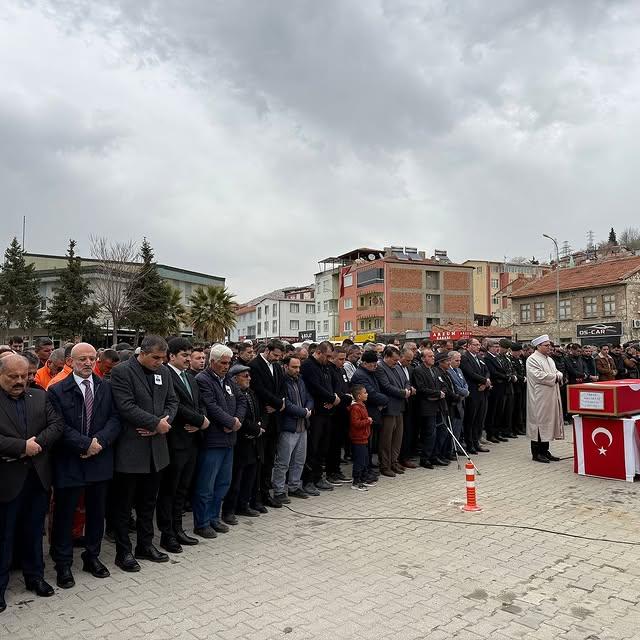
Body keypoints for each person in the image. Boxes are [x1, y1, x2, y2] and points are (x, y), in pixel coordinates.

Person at [48, 343, 121, 588]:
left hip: (99, 460)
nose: (88, 362)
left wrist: (98, 443)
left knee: (96, 513)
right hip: (70, 462)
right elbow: (58, 425)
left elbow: (115, 419)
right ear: (71, 361)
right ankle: (63, 564)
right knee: (64, 516)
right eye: (82, 359)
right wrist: (84, 444)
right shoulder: (57, 390)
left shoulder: (106, 387)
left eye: (92, 358)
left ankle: (92, 556)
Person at [0, 354, 64, 611]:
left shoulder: (39, 396)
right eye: (12, 377)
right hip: (6, 480)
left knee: (33, 531)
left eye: (24, 376)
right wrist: (20, 447)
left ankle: (34, 577)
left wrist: (36, 445)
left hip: (37, 478)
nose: (19, 381)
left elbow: (57, 424)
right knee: (4, 536)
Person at [110, 335, 178, 572]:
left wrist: (164, 422)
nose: (159, 362)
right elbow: (125, 406)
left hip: (156, 450)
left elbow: (172, 401)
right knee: (124, 504)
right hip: (131, 450)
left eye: (162, 358)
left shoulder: (165, 373)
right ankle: (124, 551)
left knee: (148, 502)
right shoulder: (122, 372)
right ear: (143, 353)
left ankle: (145, 545)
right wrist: (154, 424)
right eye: (155, 358)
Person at [156, 338, 209, 553]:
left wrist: (201, 420)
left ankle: (178, 529)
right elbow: (175, 406)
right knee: (169, 490)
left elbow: (199, 403)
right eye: (184, 355)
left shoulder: (190, 377)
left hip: (192, 441)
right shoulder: (165, 375)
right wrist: (199, 420)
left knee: (182, 489)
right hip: (175, 441)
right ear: (171, 356)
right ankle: (166, 534)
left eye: (190, 355)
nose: (188, 359)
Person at [194, 344, 247, 538]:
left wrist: (236, 421)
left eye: (229, 362)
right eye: (223, 363)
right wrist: (228, 421)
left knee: (223, 483)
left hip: (229, 439)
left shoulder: (228, 380)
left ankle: (214, 518)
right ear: (213, 361)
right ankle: (202, 522)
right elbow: (210, 405)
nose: (227, 366)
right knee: (206, 485)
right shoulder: (203, 380)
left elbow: (241, 400)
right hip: (213, 440)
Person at [222, 364, 263, 522]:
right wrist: (254, 429)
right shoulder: (233, 395)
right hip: (240, 441)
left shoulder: (251, 393)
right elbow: (239, 418)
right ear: (234, 378)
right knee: (235, 479)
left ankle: (244, 504)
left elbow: (259, 413)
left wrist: (260, 426)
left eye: (249, 375)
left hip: (253, 442)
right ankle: (229, 510)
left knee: (250, 476)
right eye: (245, 376)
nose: (249, 379)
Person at [248, 339, 285, 509]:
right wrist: (276, 403)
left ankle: (265, 493)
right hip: (263, 416)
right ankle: (255, 497)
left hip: (275, 418)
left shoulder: (277, 366)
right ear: (268, 351)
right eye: (275, 355)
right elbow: (258, 389)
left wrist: (279, 403)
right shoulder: (254, 365)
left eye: (280, 356)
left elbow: (281, 387)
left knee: (270, 458)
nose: (277, 358)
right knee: (260, 460)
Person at [301, 341, 340, 493]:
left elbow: (334, 383)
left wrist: (334, 398)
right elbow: (314, 387)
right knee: (313, 448)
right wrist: (331, 398)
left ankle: (318, 477)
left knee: (323, 448)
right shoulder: (308, 366)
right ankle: (308, 480)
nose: (329, 359)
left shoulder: (326, 366)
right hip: (316, 413)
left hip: (328, 412)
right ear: (319, 352)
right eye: (327, 356)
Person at [272, 356, 313, 500]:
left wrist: (308, 409)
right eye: (294, 367)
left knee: (299, 459)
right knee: (283, 461)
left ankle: (294, 486)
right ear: (285, 367)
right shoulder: (282, 382)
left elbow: (309, 397)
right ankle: (279, 490)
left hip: (303, 426)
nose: (297, 370)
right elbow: (286, 404)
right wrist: (303, 412)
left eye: (298, 367)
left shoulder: (300, 380)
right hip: (288, 427)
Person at [526, 335, 563, 463]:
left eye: (549, 345)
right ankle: (536, 453)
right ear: (538, 346)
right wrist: (556, 377)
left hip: (550, 396)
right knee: (539, 423)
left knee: (548, 423)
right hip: (539, 397)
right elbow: (538, 376)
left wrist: (558, 374)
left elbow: (557, 371)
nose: (549, 348)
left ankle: (545, 451)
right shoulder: (532, 359)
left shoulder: (549, 359)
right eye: (546, 345)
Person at [375, 346, 411, 477]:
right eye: (394, 360)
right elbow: (386, 386)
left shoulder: (397, 367)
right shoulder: (380, 368)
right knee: (386, 439)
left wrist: (407, 389)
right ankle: (385, 465)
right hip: (388, 408)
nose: (396, 362)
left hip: (400, 406)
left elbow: (406, 381)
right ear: (387, 357)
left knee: (397, 438)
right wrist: (403, 393)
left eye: (397, 360)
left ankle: (394, 461)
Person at [411, 348, 446, 469]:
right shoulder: (418, 370)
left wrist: (441, 392)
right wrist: (437, 394)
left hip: (437, 405)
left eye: (433, 356)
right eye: (430, 356)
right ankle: (425, 458)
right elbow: (421, 388)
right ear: (423, 358)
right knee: (429, 433)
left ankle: (434, 456)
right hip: (427, 406)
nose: (433, 358)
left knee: (439, 432)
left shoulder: (435, 370)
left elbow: (443, 384)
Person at [326, 347, 353, 485]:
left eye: (344, 359)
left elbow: (346, 386)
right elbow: (334, 391)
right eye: (340, 359)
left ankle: (336, 469)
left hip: (344, 411)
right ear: (333, 357)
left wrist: (348, 395)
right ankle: (331, 472)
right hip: (334, 413)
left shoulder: (341, 370)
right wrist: (345, 397)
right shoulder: (329, 370)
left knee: (339, 443)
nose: (343, 362)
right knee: (333, 444)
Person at [460, 338, 491, 454]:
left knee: (479, 418)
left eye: (479, 345)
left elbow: (487, 370)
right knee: (471, 419)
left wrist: (486, 381)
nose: (478, 347)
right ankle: (470, 444)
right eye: (475, 345)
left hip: (482, 391)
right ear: (468, 346)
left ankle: (476, 441)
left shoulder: (479, 358)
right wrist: (484, 381)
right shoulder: (465, 358)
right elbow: (470, 373)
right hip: (473, 392)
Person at [348, 385, 373, 492]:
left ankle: (363, 479)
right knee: (359, 460)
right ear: (359, 396)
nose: (367, 394)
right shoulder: (356, 408)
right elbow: (356, 423)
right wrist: (368, 421)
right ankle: (356, 482)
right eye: (365, 392)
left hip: (364, 438)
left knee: (364, 459)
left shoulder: (362, 405)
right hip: (358, 439)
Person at [397, 347, 417, 469]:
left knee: (408, 431)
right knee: (400, 433)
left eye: (411, 360)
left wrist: (410, 388)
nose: (409, 363)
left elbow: (408, 382)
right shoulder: (396, 367)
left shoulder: (409, 368)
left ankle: (406, 456)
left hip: (409, 402)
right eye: (407, 360)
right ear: (401, 357)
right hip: (400, 402)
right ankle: (399, 458)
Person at [447, 350, 468, 454]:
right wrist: (465, 392)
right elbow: (456, 386)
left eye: (459, 360)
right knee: (454, 426)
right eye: (456, 360)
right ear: (449, 360)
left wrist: (466, 390)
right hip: (455, 401)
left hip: (462, 401)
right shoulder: (448, 371)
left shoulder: (459, 370)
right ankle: (451, 449)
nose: (458, 362)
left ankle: (457, 447)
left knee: (459, 426)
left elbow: (464, 382)